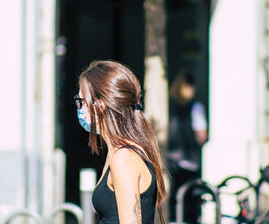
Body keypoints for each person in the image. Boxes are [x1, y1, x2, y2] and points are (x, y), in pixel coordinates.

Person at [74, 60, 167, 224]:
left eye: (81, 102)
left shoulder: (124, 158)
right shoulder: (118, 152)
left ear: (100, 106)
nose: (79, 109)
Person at [167, 70, 208, 223]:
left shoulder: (166, 105)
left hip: (169, 162)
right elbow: (201, 136)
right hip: (189, 162)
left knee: (172, 205)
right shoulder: (195, 108)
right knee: (189, 206)